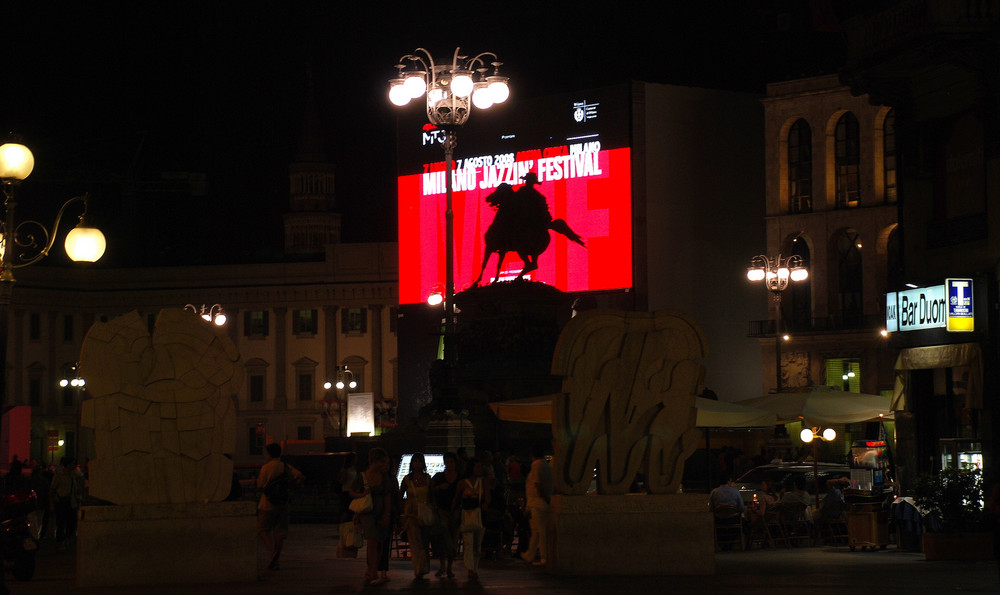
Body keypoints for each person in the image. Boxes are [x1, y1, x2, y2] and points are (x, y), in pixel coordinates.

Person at [350, 447, 397, 585]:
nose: (384, 465)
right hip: (368, 514)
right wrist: (362, 495)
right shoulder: (363, 476)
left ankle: (372, 569)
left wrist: (387, 514)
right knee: (372, 542)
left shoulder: (384, 477)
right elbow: (352, 492)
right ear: (374, 461)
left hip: (381, 513)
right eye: (381, 462)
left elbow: (388, 496)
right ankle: (373, 572)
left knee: (380, 543)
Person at [256, 443, 304, 570]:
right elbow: (300, 476)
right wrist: (291, 487)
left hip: (267, 503)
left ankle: (272, 552)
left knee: (262, 529)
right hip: (283, 503)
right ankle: (276, 561)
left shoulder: (266, 468)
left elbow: (260, 486)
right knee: (280, 533)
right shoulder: (285, 466)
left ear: (269, 454)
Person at [453, 457, 489, 581]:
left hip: (478, 514)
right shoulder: (463, 483)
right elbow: (457, 498)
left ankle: (474, 568)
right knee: (469, 543)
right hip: (468, 514)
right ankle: (470, 569)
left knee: (477, 544)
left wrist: (485, 503)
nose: (480, 469)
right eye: (477, 466)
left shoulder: (483, 482)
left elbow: (488, 497)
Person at [520, 444, 553, 566]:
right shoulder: (547, 466)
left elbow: (536, 485)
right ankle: (530, 554)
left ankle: (543, 557)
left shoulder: (536, 466)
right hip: (542, 502)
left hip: (538, 502)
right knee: (537, 530)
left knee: (539, 530)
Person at [402, 452, 433, 579]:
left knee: (425, 542)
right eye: (415, 461)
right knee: (415, 542)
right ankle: (419, 568)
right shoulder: (407, 479)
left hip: (425, 512)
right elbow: (400, 495)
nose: (417, 464)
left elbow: (431, 496)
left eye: (419, 461)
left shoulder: (427, 478)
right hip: (411, 513)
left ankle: (424, 567)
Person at [431, 452, 460, 578]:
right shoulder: (439, 477)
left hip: (455, 510)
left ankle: (449, 567)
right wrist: (439, 488)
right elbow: (430, 489)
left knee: (453, 537)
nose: (449, 464)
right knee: (444, 536)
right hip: (442, 509)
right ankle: (443, 566)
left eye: (451, 462)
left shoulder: (459, 477)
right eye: (447, 462)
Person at [49, 457, 85, 550]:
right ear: (68, 465)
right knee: (61, 523)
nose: (74, 466)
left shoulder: (74, 475)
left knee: (72, 523)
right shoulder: (59, 475)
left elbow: (81, 476)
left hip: (71, 502)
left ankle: (67, 540)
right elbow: (52, 490)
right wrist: (52, 504)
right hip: (61, 501)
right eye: (73, 464)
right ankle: (61, 541)